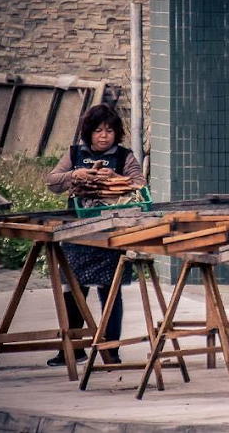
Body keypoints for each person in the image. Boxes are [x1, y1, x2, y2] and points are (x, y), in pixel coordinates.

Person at [45, 104, 146, 366]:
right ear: (89, 132)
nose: (104, 136)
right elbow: (52, 181)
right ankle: (73, 348)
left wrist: (115, 178)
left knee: (110, 290)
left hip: (110, 235)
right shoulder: (74, 154)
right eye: (99, 130)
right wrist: (74, 175)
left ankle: (110, 349)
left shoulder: (125, 157)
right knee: (73, 287)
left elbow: (140, 184)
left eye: (110, 131)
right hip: (77, 233)